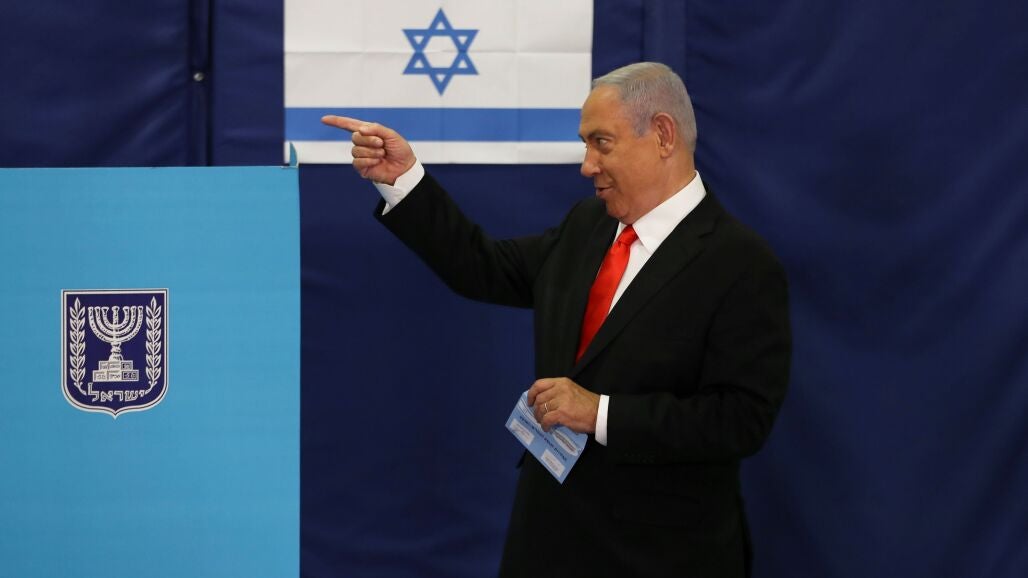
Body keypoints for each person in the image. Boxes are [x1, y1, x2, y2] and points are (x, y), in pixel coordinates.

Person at [322, 62, 791, 578]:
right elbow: (483, 267)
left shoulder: (741, 263)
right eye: (585, 145)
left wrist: (600, 413)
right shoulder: (587, 226)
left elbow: (741, 420)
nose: (587, 166)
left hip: (661, 553)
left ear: (662, 134)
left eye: (602, 143)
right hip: (548, 539)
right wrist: (404, 180)